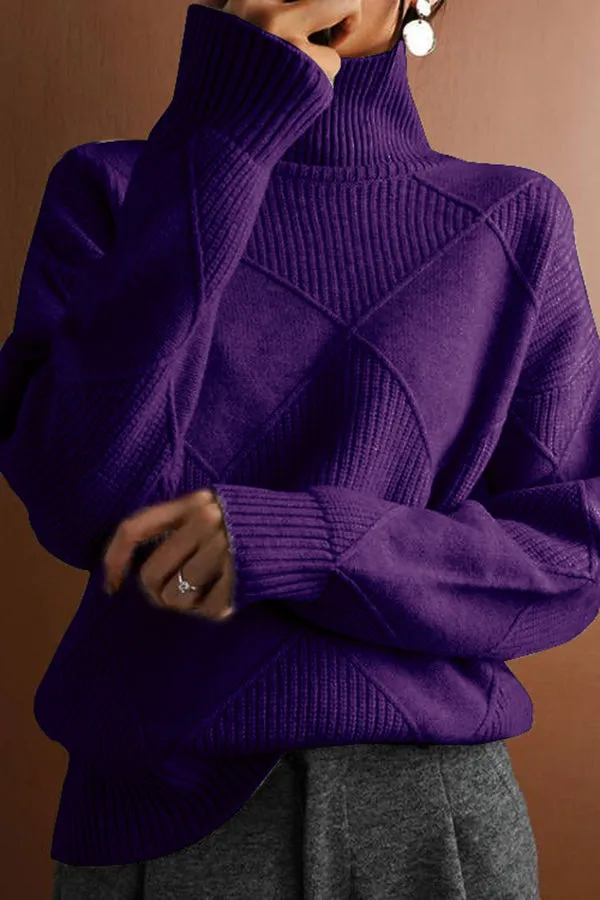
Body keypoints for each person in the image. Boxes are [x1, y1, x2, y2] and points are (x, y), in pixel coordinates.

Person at [3, 0, 598, 896]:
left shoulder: (513, 219)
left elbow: (571, 555)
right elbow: (76, 497)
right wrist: (227, 131)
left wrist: (306, 542)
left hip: (428, 818)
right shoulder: (113, 190)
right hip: (161, 819)